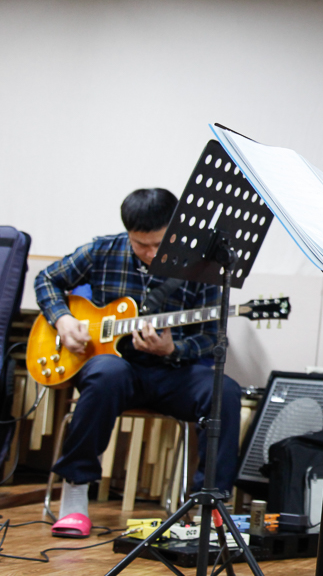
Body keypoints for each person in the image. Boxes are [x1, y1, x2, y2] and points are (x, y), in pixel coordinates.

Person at [36, 188, 242, 538]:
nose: (149, 253)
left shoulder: (201, 266)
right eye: (139, 244)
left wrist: (173, 348)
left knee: (224, 391)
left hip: (173, 371)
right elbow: (47, 279)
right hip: (116, 369)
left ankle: (209, 506)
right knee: (106, 374)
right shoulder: (102, 250)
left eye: (157, 244)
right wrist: (62, 319)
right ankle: (75, 492)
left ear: (176, 230)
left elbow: (212, 336)